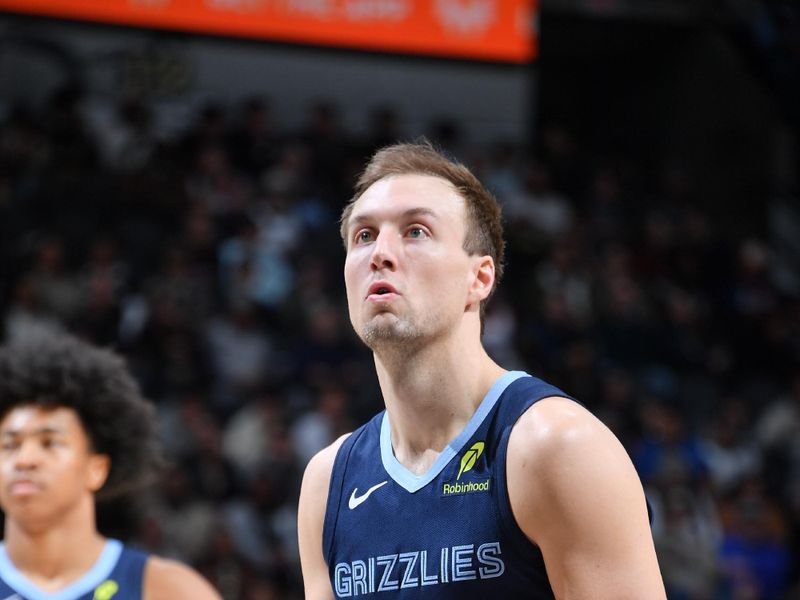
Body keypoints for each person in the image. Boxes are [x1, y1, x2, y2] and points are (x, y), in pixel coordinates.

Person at [298, 141, 666, 598]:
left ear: (480, 278)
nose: (381, 253)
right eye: (364, 235)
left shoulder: (557, 447)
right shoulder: (327, 482)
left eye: (415, 231)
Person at [0, 332, 222, 600]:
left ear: (97, 469)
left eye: (50, 443)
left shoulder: (168, 589)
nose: (24, 460)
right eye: (9, 445)